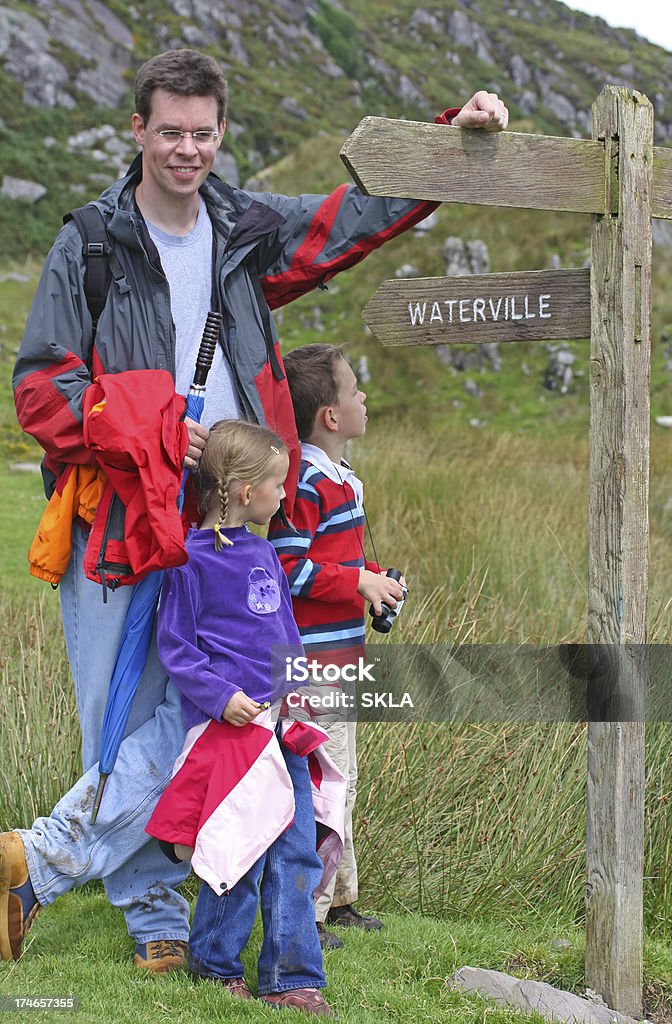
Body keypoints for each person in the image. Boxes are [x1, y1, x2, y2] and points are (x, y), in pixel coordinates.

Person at [3, 45, 508, 971]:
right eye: (168, 133)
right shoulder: (92, 242)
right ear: (138, 130)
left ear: (220, 132)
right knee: (125, 718)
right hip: (118, 523)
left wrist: (448, 142)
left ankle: (35, 861)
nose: (185, 150)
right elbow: (40, 391)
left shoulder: (243, 228)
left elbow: (345, 221)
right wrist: (149, 426)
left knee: (204, 716)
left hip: (234, 532)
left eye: (201, 134)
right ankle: (153, 913)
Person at [144, 419, 342, 1015]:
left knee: (296, 849)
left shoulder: (263, 553)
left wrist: (298, 690)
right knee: (241, 849)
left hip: (282, 729)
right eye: (277, 485)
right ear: (239, 490)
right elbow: (177, 647)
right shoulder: (188, 561)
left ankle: (293, 976)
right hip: (230, 735)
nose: (285, 496)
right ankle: (214, 960)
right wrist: (219, 696)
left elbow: (285, 635)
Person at [268, 343, 404, 949]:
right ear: (329, 414)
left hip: (344, 660)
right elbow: (286, 565)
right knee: (326, 784)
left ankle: (339, 897)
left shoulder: (343, 480)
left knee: (341, 779)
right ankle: (311, 916)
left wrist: (376, 581)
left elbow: (344, 558)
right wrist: (357, 581)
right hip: (313, 667)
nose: (364, 398)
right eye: (355, 390)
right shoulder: (304, 484)